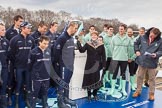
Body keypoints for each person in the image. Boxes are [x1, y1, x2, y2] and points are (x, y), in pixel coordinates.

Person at [9, 21, 35, 108]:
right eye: (28, 28)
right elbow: (11, 54)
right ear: (23, 29)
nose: (30, 29)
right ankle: (16, 103)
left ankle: (27, 101)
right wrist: (16, 63)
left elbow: (33, 52)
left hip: (28, 67)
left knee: (28, 84)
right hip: (18, 67)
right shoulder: (14, 39)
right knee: (19, 84)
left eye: (30, 28)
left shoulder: (31, 39)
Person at [133, 27, 162, 101]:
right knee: (139, 76)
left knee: (152, 79)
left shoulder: (160, 41)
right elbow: (136, 43)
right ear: (150, 32)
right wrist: (136, 50)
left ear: (157, 35)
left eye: (153, 36)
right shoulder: (142, 37)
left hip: (152, 62)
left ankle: (151, 94)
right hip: (142, 60)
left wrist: (156, 54)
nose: (151, 37)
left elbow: (161, 51)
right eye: (151, 35)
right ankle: (138, 91)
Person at [54, 22, 78, 108]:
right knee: (62, 83)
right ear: (70, 27)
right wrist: (58, 63)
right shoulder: (62, 38)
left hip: (70, 65)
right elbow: (56, 52)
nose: (76, 30)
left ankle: (66, 98)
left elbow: (72, 52)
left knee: (67, 82)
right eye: (75, 28)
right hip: (63, 65)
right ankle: (60, 102)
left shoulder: (71, 38)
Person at [77, 31, 106, 101]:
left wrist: (104, 65)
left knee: (97, 80)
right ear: (91, 36)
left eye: (95, 35)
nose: (94, 36)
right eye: (92, 35)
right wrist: (78, 42)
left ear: (97, 36)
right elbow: (82, 50)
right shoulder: (88, 44)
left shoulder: (101, 45)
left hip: (97, 65)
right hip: (89, 65)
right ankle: (89, 94)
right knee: (89, 80)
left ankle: (95, 93)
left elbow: (103, 56)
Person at [5, 15, 23, 106]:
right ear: (15, 21)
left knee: (19, 79)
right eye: (20, 21)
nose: (21, 23)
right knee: (10, 78)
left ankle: (18, 96)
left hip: (20, 61)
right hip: (11, 60)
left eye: (21, 22)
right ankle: (9, 97)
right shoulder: (8, 32)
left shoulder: (22, 31)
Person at [28, 35, 51, 108]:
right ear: (40, 42)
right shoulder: (33, 52)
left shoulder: (49, 51)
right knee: (34, 94)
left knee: (45, 93)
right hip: (36, 78)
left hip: (46, 77)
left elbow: (50, 63)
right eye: (44, 43)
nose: (46, 45)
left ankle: (45, 105)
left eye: (47, 43)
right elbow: (29, 65)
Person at [109, 24, 131, 96]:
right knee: (114, 74)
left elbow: (129, 49)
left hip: (124, 59)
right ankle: (112, 89)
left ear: (124, 30)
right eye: (119, 29)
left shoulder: (128, 39)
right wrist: (114, 55)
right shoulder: (114, 38)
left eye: (122, 29)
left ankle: (123, 89)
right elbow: (111, 48)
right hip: (115, 59)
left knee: (123, 74)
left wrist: (128, 56)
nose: (120, 30)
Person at [101, 25, 114, 91]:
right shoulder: (104, 37)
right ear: (107, 30)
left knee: (111, 71)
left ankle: (112, 83)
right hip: (105, 57)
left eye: (112, 30)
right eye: (110, 29)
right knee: (104, 71)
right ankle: (102, 84)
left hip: (113, 57)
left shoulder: (114, 37)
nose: (111, 31)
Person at [0, 21, 9, 108]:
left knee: (4, 87)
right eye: (2, 30)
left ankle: (4, 105)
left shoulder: (6, 41)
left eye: (5, 29)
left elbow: (8, 55)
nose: (5, 31)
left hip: (5, 69)